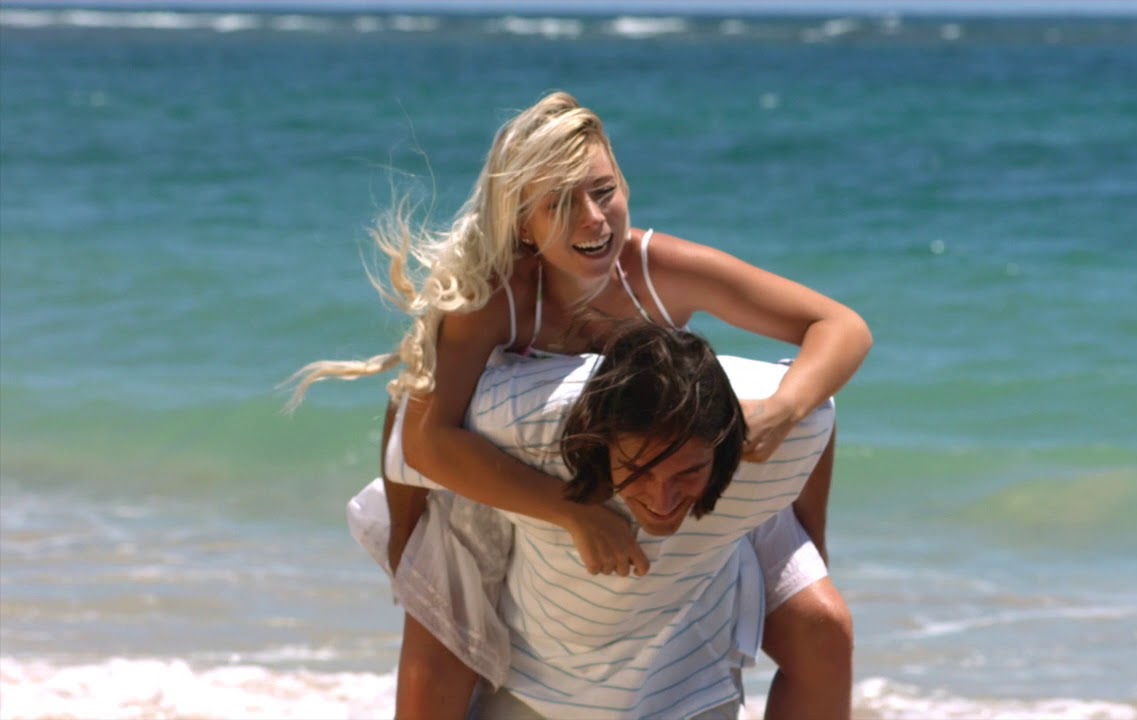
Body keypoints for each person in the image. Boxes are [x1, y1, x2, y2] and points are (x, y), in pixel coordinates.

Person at [287, 90, 872, 719]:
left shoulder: (658, 268)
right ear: (522, 223)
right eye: (561, 203)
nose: (594, 219)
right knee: (436, 671)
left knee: (825, 630)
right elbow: (423, 435)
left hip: (670, 475)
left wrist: (784, 409)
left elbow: (840, 327)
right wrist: (566, 513)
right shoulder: (495, 298)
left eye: (603, 191)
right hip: (510, 488)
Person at [348, 321, 838, 719]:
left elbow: (820, 411)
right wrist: (405, 550)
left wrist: (810, 540)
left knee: (827, 627)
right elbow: (412, 411)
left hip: (691, 691)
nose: (663, 498)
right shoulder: (528, 425)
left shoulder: (763, 419)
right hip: (533, 694)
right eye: (640, 471)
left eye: (687, 472)